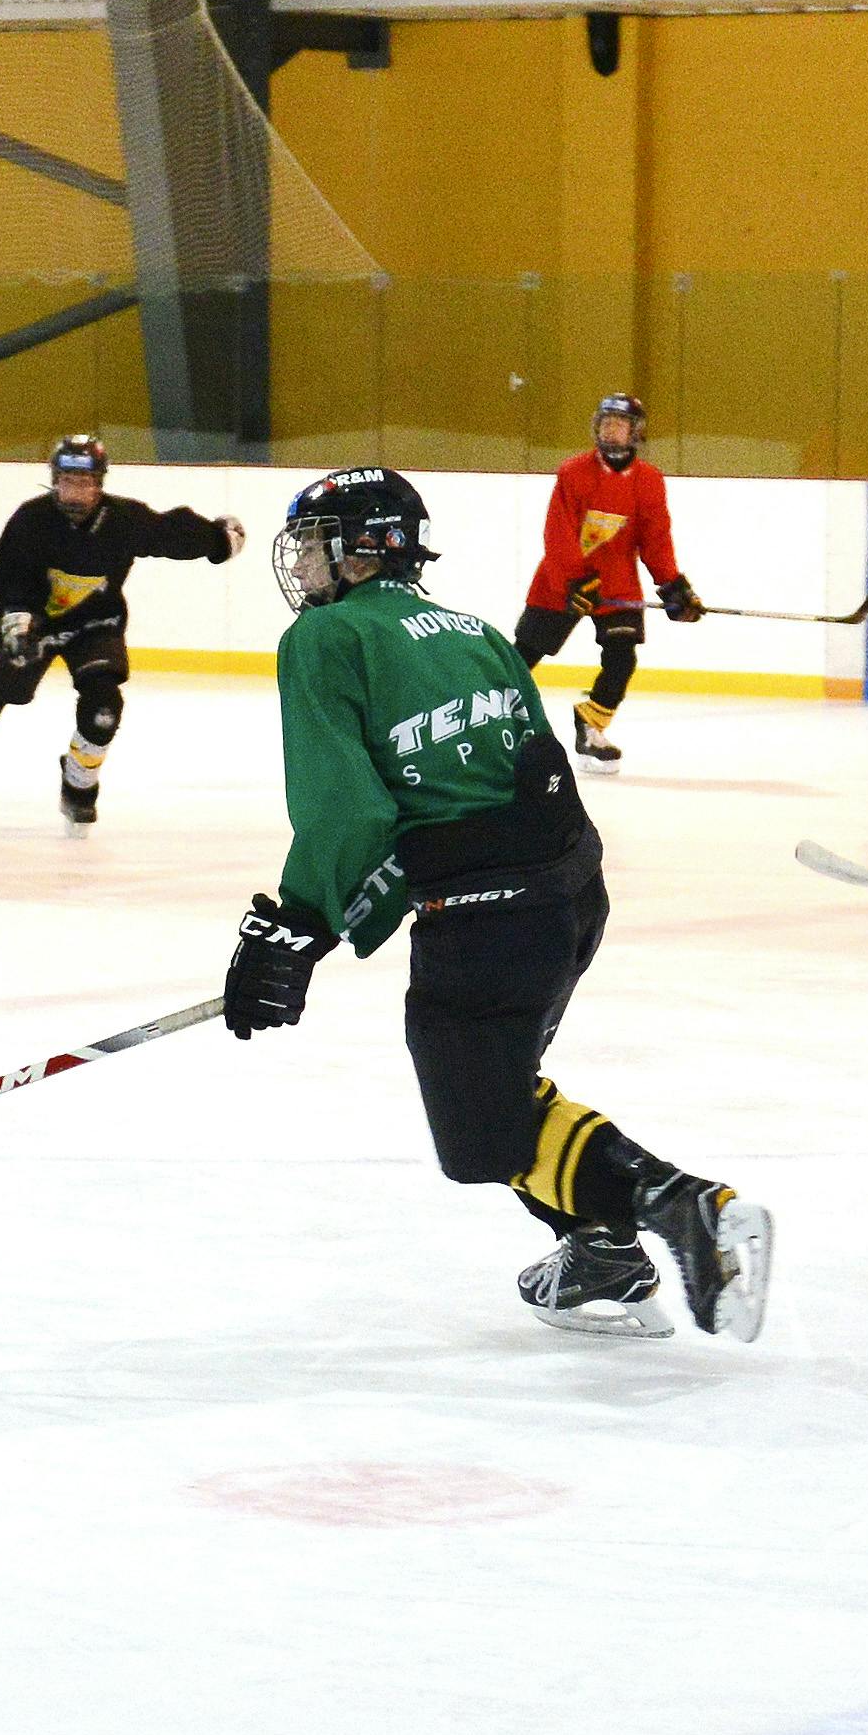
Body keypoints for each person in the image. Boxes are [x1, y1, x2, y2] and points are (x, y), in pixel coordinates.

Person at [220, 464, 776, 1341]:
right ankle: (603, 1257)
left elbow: (351, 810)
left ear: (365, 549)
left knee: (484, 1125)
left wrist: (292, 922)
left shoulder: (323, 641)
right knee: (497, 1080)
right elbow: (485, 784)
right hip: (569, 892)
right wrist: (332, 927)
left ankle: (679, 1207)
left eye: (319, 546)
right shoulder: (475, 631)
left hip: (491, 913)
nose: (308, 567)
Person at [0, 429, 237, 828]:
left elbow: (168, 533)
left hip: (96, 624)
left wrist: (218, 541)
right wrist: (19, 627)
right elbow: (12, 583)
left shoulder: (123, 520)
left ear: (99, 484)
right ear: (54, 480)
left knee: (103, 707)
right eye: (68, 481)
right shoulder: (30, 522)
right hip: (35, 625)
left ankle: (79, 785)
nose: (75, 491)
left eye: (84, 482)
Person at [512, 390, 708, 767]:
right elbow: (558, 533)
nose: (612, 431)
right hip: (562, 580)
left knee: (622, 658)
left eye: (620, 424)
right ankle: (486, 712)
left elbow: (655, 538)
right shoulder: (573, 472)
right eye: (607, 423)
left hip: (618, 584)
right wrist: (574, 579)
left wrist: (673, 586)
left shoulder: (648, 480)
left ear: (636, 433)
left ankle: (591, 725)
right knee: (524, 655)